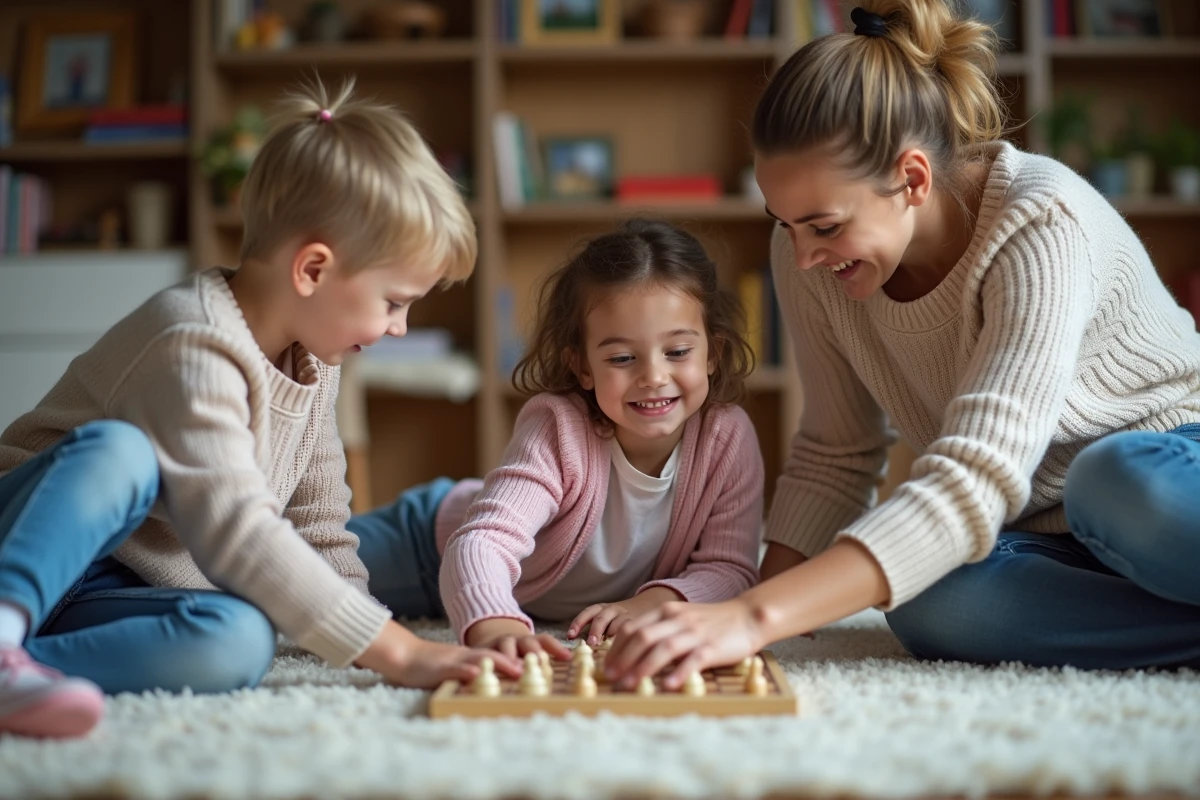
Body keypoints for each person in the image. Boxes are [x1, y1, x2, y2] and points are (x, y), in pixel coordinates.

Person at [603, 0, 1200, 690]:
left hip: (1166, 468)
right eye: (785, 223)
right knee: (922, 596)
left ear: (912, 179)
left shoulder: (1041, 222)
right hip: (1045, 530)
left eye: (824, 226)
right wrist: (756, 618)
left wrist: (750, 617)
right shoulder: (809, 257)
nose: (802, 255)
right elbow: (837, 451)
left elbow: (975, 476)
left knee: (1112, 479)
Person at [0, 76, 518, 739]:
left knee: (241, 638)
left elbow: (319, 524)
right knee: (119, 453)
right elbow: (236, 530)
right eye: (394, 302)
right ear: (313, 270)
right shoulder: (191, 339)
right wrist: (401, 651)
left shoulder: (316, 362)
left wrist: (365, 631)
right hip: (27, 539)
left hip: (105, 592)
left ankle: (27, 667)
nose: (399, 327)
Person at [351, 219, 764, 662]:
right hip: (425, 550)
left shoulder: (727, 437)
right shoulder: (559, 427)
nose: (654, 376)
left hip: (509, 592)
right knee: (299, 579)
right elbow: (482, 542)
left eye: (678, 352)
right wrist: (497, 626)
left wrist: (651, 604)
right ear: (583, 367)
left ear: (713, 354)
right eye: (622, 358)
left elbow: (729, 569)